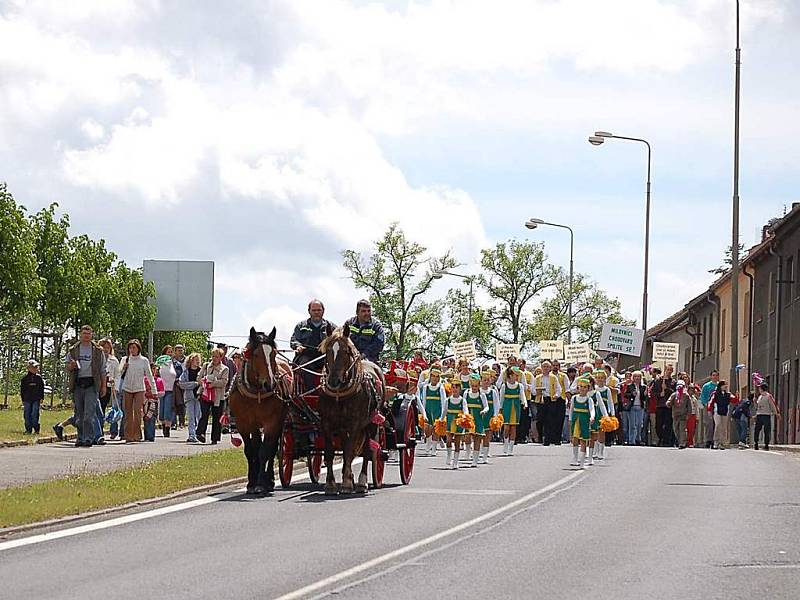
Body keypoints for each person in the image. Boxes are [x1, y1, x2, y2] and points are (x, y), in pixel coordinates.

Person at [65, 325, 107, 447]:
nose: (86, 336)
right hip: (78, 383)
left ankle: (89, 438)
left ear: (92, 335)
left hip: (91, 384)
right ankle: (80, 437)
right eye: (84, 333)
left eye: (88, 333)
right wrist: (71, 366)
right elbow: (67, 365)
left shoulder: (98, 351)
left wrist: (103, 386)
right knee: (79, 414)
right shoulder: (74, 349)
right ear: (80, 334)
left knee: (89, 414)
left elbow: (103, 370)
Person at [291, 299, 334, 392]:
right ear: (309, 311)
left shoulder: (331, 326)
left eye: (319, 310)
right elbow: (294, 340)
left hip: (324, 356)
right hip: (306, 356)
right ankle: (311, 391)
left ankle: (330, 391)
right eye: (314, 310)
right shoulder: (301, 326)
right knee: (304, 366)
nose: (316, 313)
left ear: (323, 311)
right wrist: (298, 346)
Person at [119, 339, 156, 443]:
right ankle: (128, 435)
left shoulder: (144, 360)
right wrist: (123, 368)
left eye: (134, 347)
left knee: (138, 412)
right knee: (128, 412)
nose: (132, 350)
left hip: (139, 388)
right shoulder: (125, 359)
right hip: (127, 388)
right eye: (130, 348)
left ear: (138, 348)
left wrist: (154, 390)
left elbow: (149, 375)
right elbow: (119, 373)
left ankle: (137, 435)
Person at [197, 348, 229, 444]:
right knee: (204, 414)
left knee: (216, 417)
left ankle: (215, 438)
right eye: (213, 356)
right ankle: (200, 433)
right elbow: (199, 377)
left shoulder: (225, 369)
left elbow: (224, 382)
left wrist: (213, 383)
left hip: (218, 397)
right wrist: (204, 382)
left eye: (217, 356)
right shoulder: (206, 366)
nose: (214, 358)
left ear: (221, 358)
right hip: (205, 395)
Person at [345, 299, 385, 364]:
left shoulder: (376, 326)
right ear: (357, 312)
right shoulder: (349, 323)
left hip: (370, 361)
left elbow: (379, 344)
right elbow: (342, 338)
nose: (367, 313)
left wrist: (363, 355)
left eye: (369, 311)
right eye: (363, 311)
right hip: (349, 360)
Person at [498, 366, 526, 455]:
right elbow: (501, 398)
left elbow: (522, 395)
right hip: (506, 407)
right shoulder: (504, 386)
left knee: (513, 428)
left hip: (516, 407)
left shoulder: (519, 386)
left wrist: (524, 403)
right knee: (506, 428)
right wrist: (500, 409)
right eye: (515, 375)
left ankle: (511, 448)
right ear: (510, 376)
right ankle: (505, 445)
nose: (517, 377)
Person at [534, 360, 563, 446]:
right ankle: (541, 436)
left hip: (550, 400)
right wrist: (537, 392)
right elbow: (532, 389)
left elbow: (559, 389)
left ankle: (547, 439)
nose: (546, 368)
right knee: (540, 420)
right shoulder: (537, 378)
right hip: (540, 400)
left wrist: (556, 395)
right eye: (544, 367)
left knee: (549, 420)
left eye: (547, 367)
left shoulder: (553, 377)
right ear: (541, 368)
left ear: (550, 368)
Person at [463, 373, 490, 467]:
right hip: (469, 419)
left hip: (478, 419)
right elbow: (464, 404)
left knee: (477, 438)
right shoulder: (466, 393)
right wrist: (466, 414)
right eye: (473, 386)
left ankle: (475, 459)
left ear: (479, 385)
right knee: (467, 436)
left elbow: (487, 406)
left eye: (476, 386)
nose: (474, 388)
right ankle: (467, 453)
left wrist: (484, 411)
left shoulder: (482, 395)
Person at [568, 377, 596, 469]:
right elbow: (571, 410)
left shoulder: (589, 399)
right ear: (578, 388)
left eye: (585, 387)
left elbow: (592, 409)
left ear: (588, 388)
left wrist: (592, 417)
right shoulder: (574, 398)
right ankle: (575, 458)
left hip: (584, 421)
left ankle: (582, 461)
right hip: (576, 421)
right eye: (581, 387)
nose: (582, 389)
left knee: (584, 440)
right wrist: (570, 419)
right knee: (575, 439)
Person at [443, 379, 468, 469]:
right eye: (453, 387)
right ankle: (449, 455)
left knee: (457, 442)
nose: (454, 389)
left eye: (456, 387)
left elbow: (465, 410)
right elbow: (444, 411)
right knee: (449, 440)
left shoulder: (463, 400)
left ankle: (456, 461)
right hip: (450, 421)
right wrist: (441, 420)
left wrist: (465, 417)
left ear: (460, 389)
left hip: (459, 422)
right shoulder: (448, 400)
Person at [177, 352, 203, 443]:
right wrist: (194, 384)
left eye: (198, 360)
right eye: (195, 360)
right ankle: (191, 435)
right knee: (191, 417)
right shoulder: (186, 372)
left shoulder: (201, 371)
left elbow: (204, 383)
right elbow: (181, 384)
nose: (197, 362)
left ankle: (197, 433)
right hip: (189, 397)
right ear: (191, 361)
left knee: (198, 416)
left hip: (200, 397)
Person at [591, 370, 614, 461]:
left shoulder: (607, 389)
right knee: (595, 432)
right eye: (598, 378)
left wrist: (612, 414)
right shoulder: (594, 389)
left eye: (602, 378)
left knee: (602, 432)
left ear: (605, 379)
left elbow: (610, 402)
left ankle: (601, 451)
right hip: (596, 412)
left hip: (603, 413)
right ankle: (595, 451)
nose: (600, 379)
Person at [708, 380, 734, 450]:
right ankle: (716, 442)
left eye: (726, 385)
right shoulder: (715, 393)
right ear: (720, 386)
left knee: (724, 427)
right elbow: (710, 402)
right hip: (717, 412)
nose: (725, 386)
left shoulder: (728, 394)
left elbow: (734, 400)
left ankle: (722, 443)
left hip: (725, 412)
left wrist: (736, 396)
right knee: (718, 425)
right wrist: (709, 410)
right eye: (724, 385)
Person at [623, 371, 647, 445]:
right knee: (632, 424)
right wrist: (632, 394)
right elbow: (625, 394)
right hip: (632, 407)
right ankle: (631, 440)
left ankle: (638, 439)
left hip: (640, 407)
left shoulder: (643, 387)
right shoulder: (630, 386)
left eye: (639, 376)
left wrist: (645, 394)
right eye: (635, 376)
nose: (637, 378)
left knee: (640, 424)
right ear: (633, 378)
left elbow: (644, 398)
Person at [157, 346, 177, 437]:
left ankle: (167, 428)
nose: (169, 354)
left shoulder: (175, 364)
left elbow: (180, 373)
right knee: (161, 411)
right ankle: (163, 424)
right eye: (168, 352)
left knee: (168, 409)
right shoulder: (159, 363)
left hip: (170, 390)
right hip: (161, 389)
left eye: (171, 352)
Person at [20, 359, 44, 434]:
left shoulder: (39, 378)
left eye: (36, 367)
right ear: (29, 368)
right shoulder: (25, 379)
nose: (35, 369)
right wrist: (23, 399)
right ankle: (28, 429)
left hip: (36, 399)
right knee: (27, 414)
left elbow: (41, 388)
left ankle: (36, 428)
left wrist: (41, 397)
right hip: (27, 399)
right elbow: (22, 390)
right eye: (34, 367)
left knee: (34, 414)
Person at [753, 383, 780, 451]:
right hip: (759, 415)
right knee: (757, 430)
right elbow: (757, 407)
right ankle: (756, 443)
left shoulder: (768, 396)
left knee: (766, 430)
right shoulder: (759, 397)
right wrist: (755, 402)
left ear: (762, 389)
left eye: (760, 388)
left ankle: (766, 444)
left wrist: (776, 413)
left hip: (766, 415)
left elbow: (773, 405)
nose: (759, 389)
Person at [666, 380, 691, 449]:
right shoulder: (674, 395)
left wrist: (689, 414)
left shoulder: (686, 396)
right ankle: (680, 440)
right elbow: (669, 402)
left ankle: (682, 443)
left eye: (681, 386)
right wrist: (668, 403)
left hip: (683, 415)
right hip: (675, 415)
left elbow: (689, 406)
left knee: (682, 429)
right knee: (676, 429)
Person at [699, 370, 720, 448]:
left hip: (717, 407)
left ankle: (716, 440)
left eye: (716, 375)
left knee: (717, 424)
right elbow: (703, 397)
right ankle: (708, 440)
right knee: (708, 424)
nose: (715, 377)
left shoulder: (719, 386)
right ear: (711, 376)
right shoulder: (706, 386)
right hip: (708, 407)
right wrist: (706, 404)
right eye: (713, 375)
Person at [143, 363, 164, 442]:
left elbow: (162, 392)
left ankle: (151, 436)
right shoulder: (144, 379)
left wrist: (155, 394)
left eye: (156, 369)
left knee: (152, 418)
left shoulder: (159, 380)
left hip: (154, 402)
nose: (154, 371)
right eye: (153, 369)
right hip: (146, 401)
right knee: (146, 418)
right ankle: (146, 436)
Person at [172, 344, 186, 429]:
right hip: (174, 383)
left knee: (182, 403)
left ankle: (182, 421)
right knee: (174, 403)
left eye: (182, 350)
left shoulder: (187, 360)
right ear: (175, 351)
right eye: (179, 350)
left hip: (184, 383)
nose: (181, 352)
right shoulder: (172, 360)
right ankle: (174, 422)